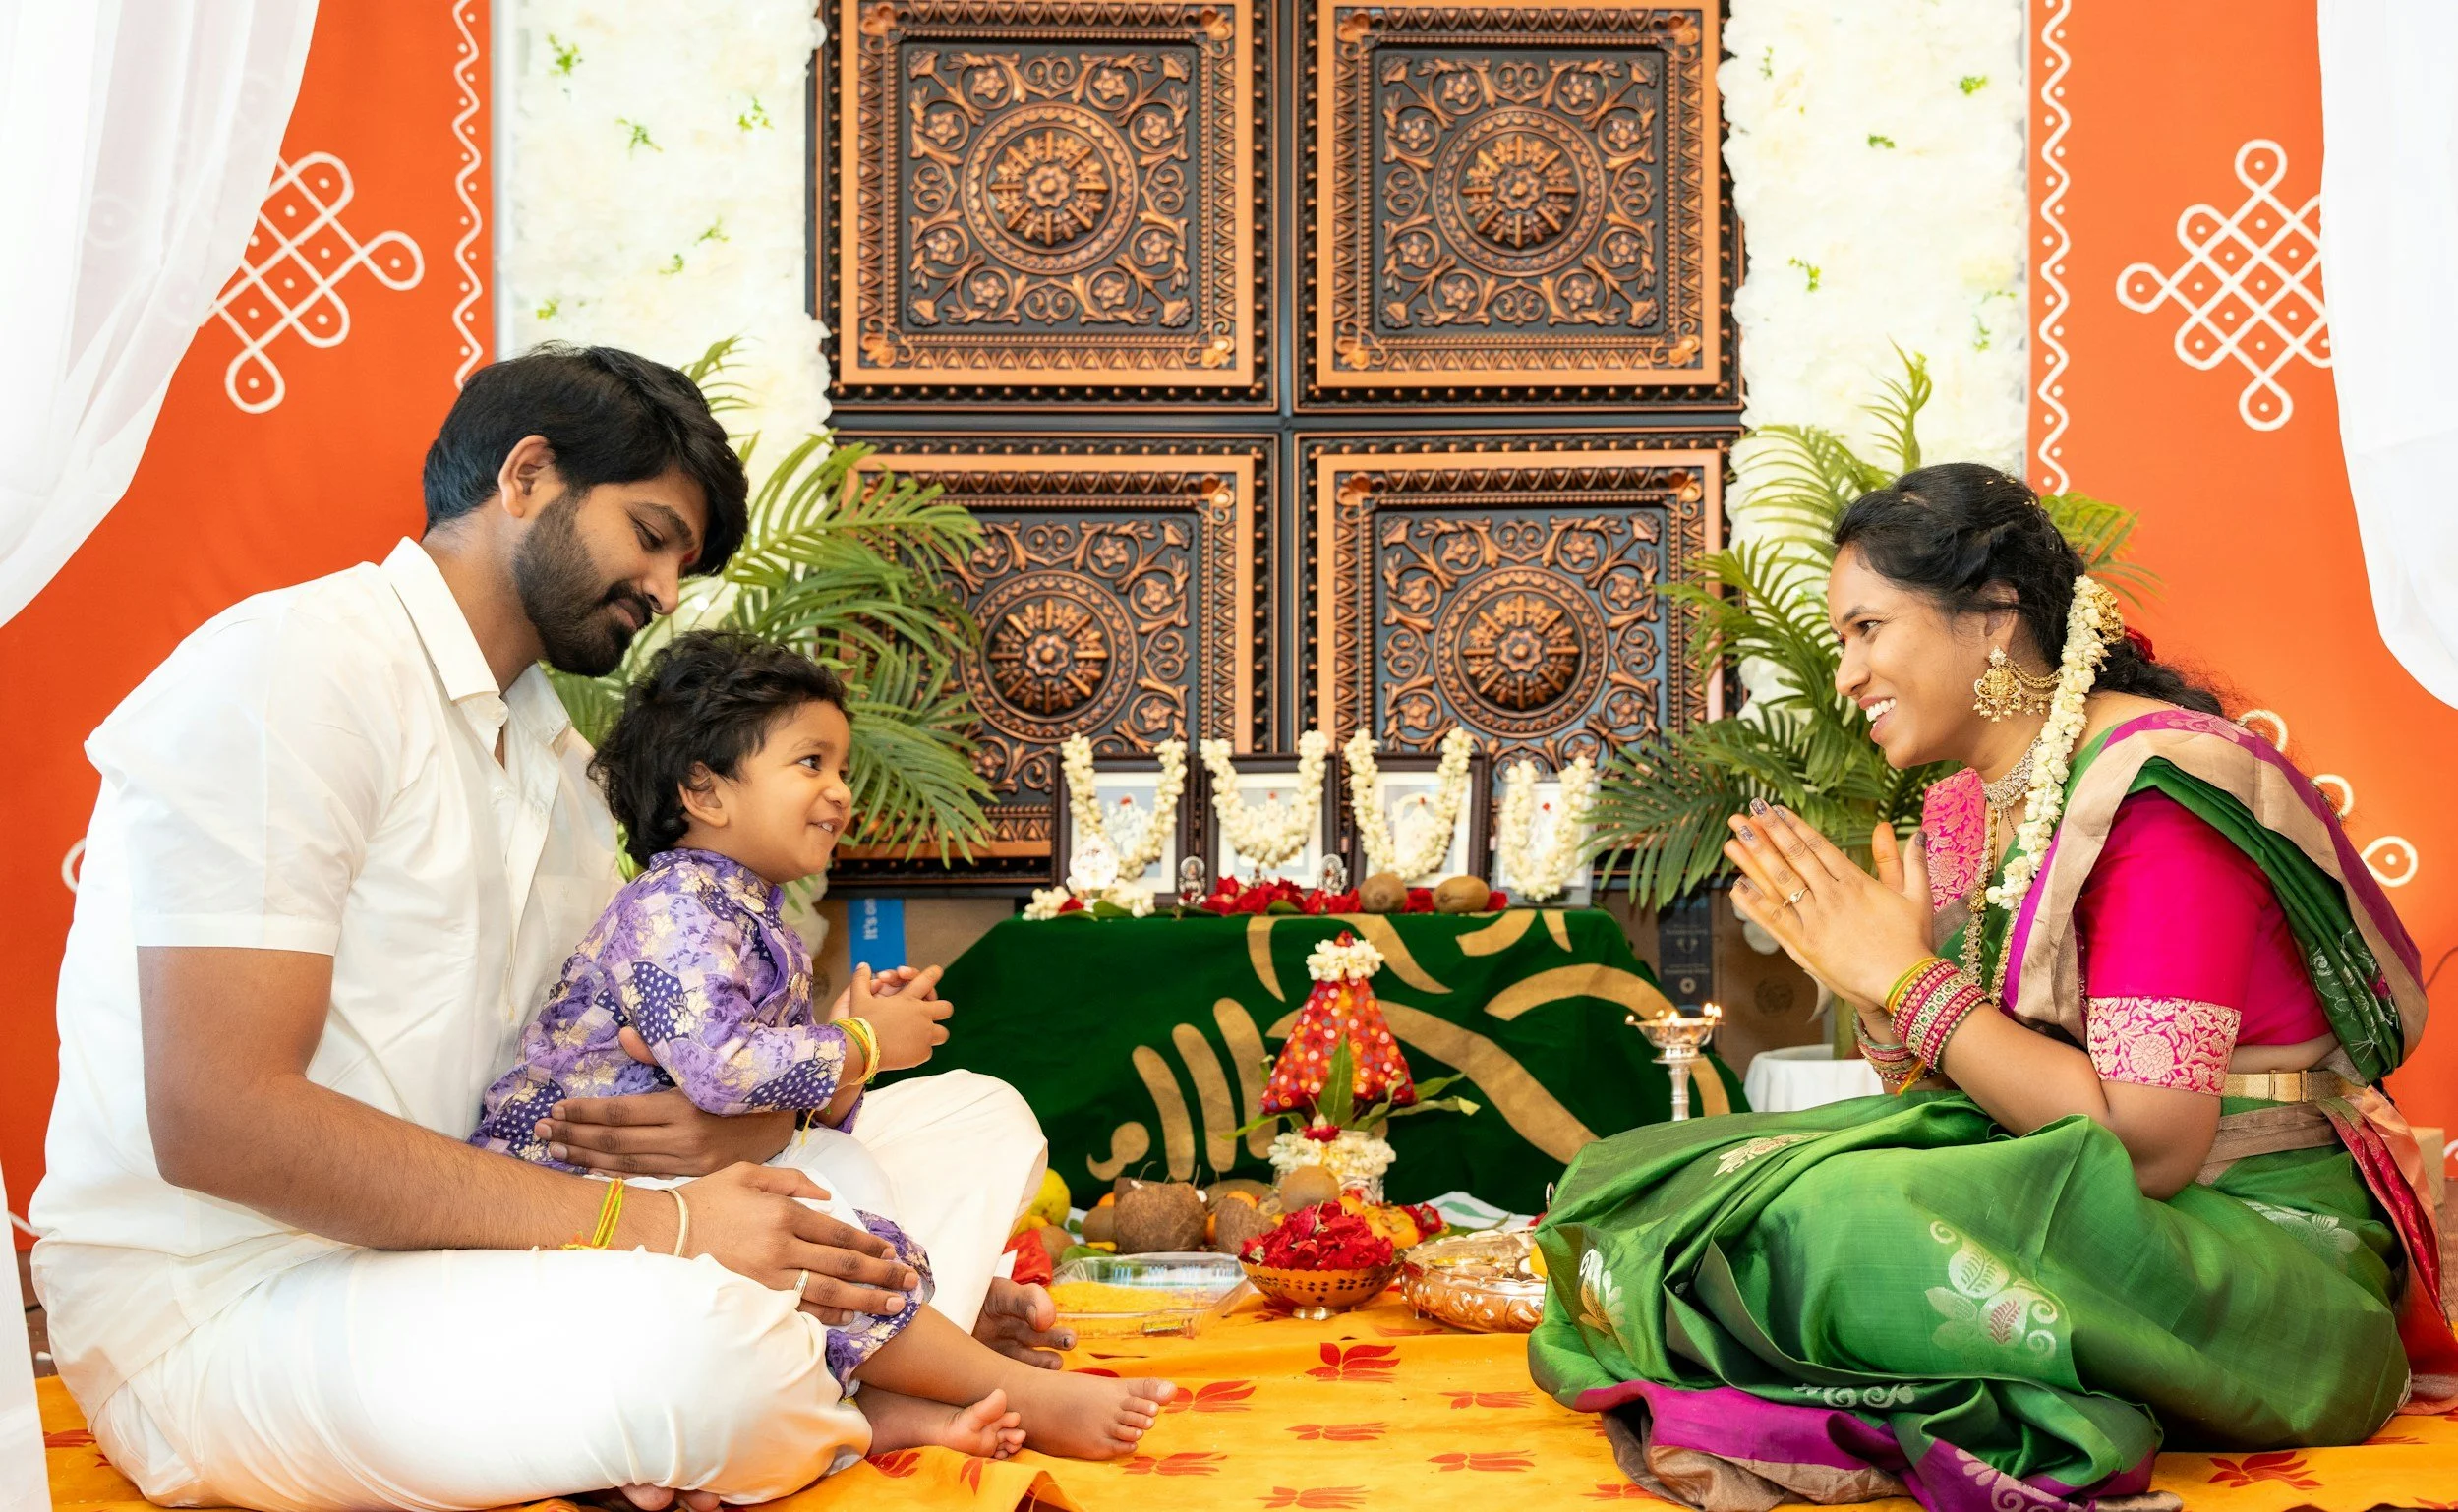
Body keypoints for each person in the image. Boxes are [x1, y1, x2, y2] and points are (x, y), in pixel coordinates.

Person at [30, 344, 1081, 1512]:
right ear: (526, 476)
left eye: (680, 559)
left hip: (489, 1242)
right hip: (238, 1297)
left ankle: (844, 1348)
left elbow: (601, 1072)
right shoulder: (292, 670)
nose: (667, 591)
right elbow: (218, 1118)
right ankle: (796, 1372)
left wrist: (734, 1153)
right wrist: (668, 1223)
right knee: (707, 1354)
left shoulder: (557, 761)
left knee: (976, 1118)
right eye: (650, 533)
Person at [1529, 463, 2458, 1512]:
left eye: (1867, 629)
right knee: (1633, 1177)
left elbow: (2152, 1144)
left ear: (1991, 618)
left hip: (2254, 1244)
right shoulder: (1965, 811)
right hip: (2074, 1201)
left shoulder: (2160, 796)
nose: (1845, 672)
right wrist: (1880, 1001)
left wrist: (1908, 977)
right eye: (1841, 639)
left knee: (1831, 1224)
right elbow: (1954, 1107)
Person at [470, 629, 1171, 1460]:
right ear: (705, 789)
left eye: (840, 769)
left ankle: (890, 1403)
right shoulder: (674, 909)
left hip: (687, 1170)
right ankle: (997, 1380)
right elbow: (722, 1073)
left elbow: (775, 1113)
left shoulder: (749, 916)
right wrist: (861, 1043)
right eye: (811, 764)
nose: (840, 793)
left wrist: (836, 1069)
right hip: (581, 1194)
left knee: (866, 1177)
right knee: (825, 1213)